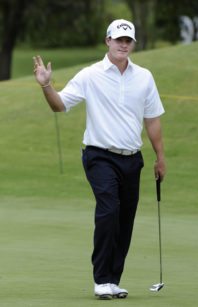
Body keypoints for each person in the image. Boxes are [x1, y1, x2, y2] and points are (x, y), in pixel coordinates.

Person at [33, 19, 166, 300]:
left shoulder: (144, 77)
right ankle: (101, 279)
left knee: (125, 219)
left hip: (133, 158)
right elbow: (60, 105)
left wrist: (160, 158)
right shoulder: (90, 75)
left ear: (133, 44)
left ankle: (113, 280)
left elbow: (152, 120)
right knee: (109, 209)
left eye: (128, 40)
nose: (123, 44)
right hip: (99, 156)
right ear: (107, 41)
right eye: (118, 39)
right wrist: (46, 86)